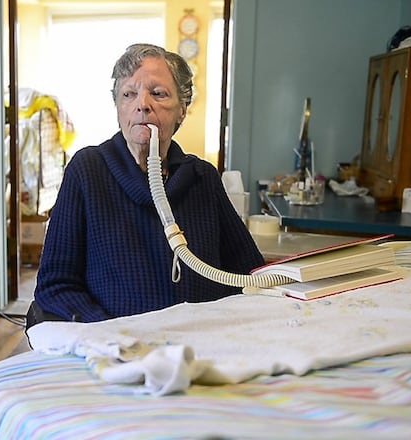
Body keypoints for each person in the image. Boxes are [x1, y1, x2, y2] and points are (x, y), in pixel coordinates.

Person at [28, 43, 264, 327]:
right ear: (118, 106)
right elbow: (54, 286)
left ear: (182, 110)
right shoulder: (87, 170)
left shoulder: (202, 177)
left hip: (203, 344)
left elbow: (251, 273)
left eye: (158, 94)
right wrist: (111, 333)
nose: (142, 104)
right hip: (121, 348)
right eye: (128, 94)